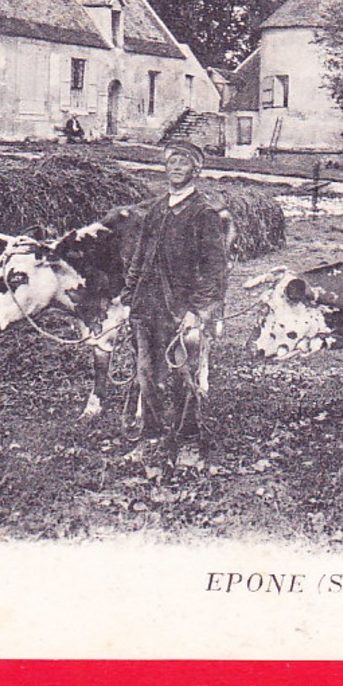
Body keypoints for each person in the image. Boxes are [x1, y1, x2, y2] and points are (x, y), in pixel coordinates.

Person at [122, 139, 229, 462]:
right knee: (146, 374)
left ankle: (188, 441)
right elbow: (139, 258)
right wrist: (129, 297)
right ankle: (151, 437)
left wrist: (197, 312)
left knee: (184, 375)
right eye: (172, 162)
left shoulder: (204, 214)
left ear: (196, 170)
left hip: (182, 310)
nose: (176, 167)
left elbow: (214, 270)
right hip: (147, 306)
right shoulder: (155, 210)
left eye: (184, 162)